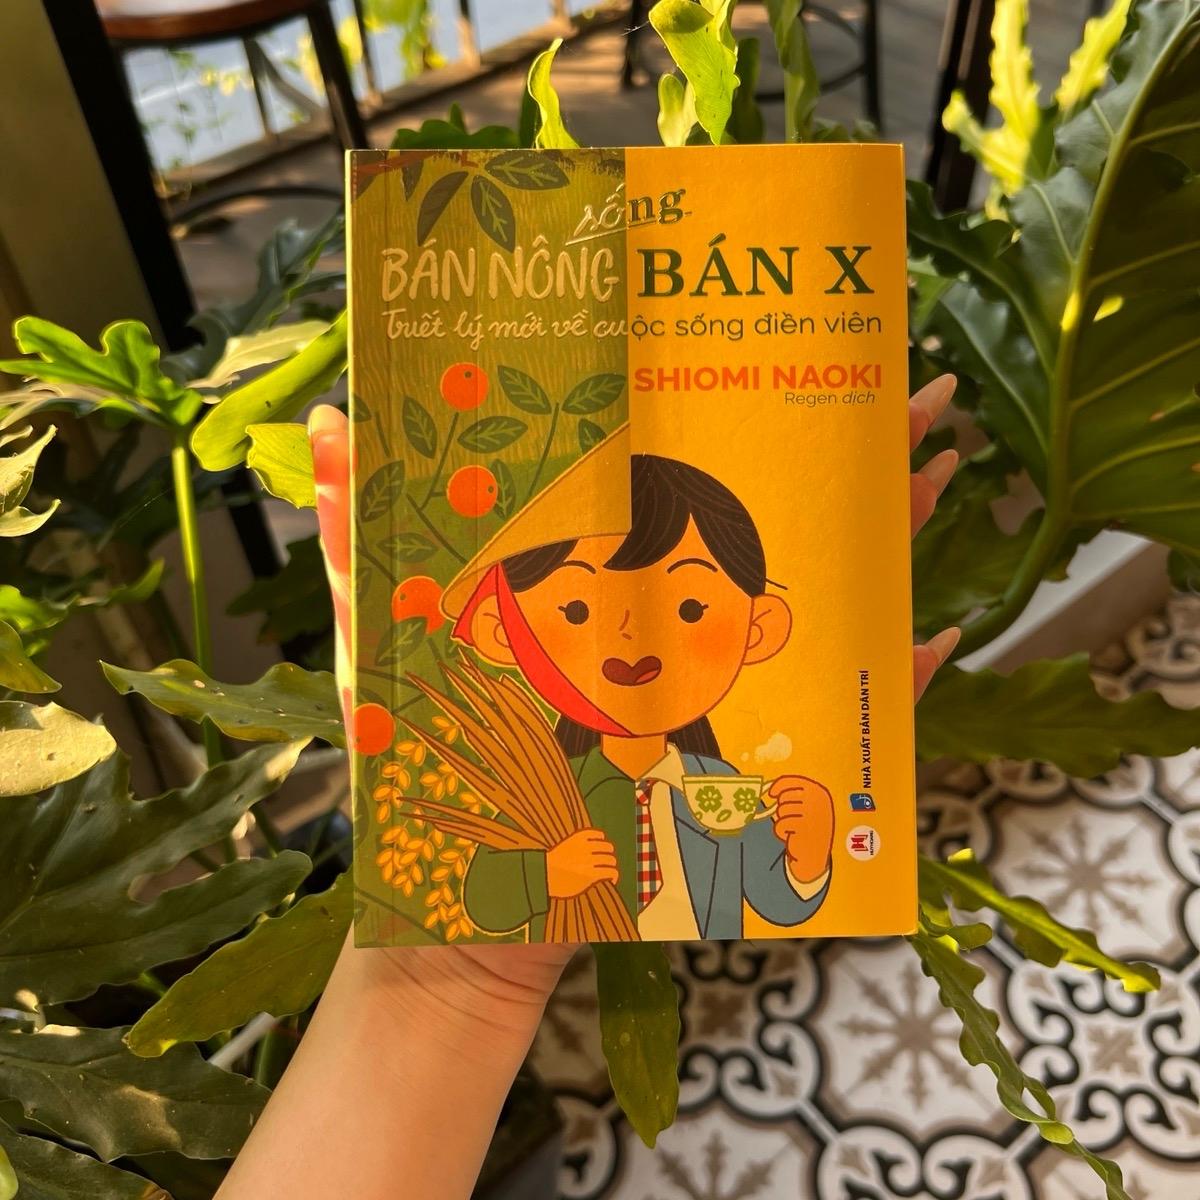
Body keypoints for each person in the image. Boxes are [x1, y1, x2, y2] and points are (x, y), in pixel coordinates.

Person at [213, 375, 961, 1200]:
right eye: (573, 609)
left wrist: (809, 853)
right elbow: (481, 890)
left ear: (761, 626)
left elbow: (773, 896)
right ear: (504, 630)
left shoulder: (725, 787)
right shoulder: (524, 788)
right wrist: (543, 874)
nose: (632, 637)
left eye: (689, 605)